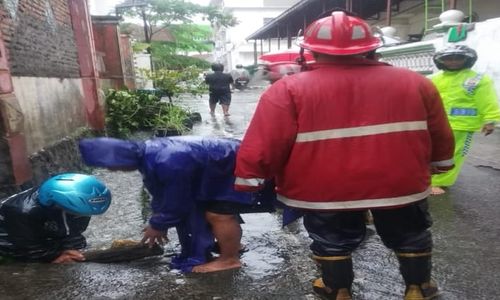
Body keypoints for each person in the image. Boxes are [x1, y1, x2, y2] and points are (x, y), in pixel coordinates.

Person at [234, 11, 455, 300]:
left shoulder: (288, 89)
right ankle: (418, 288)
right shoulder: (416, 82)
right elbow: (439, 131)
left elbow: (265, 140)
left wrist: (250, 178)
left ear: (309, 49)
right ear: (372, 47)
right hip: (398, 182)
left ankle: (337, 290)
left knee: (332, 238)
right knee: (410, 234)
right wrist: (441, 163)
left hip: (323, 187)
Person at [79, 136, 275, 273]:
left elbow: (178, 200)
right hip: (221, 163)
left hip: (232, 164)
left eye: (111, 166)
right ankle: (231, 245)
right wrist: (157, 219)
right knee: (214, 208)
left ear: (120, 158)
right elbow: (159, 192)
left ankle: (229, 259)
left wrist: (158, 225)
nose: (113, 170)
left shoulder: (167, 161)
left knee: (219, 213)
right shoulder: (147, 153)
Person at [430, 45, 500, 195]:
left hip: (462, 125)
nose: (453, 61)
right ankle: (427, 178)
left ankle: (440, 182)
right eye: (448, 58)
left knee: (453, 154)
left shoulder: (477, 79)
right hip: (436, 123)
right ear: (441, 61)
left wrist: (490, 120)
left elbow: (487, 100)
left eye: (458, 58)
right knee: (431, 152)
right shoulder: (434, 79)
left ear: (467, 59)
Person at [0, 173, 111, 263]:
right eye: (75, 212)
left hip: (34, 225)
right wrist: (54, 256)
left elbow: (74, 232)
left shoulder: (73, 204)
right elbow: (31, 249)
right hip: (9, 236)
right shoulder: (21, 212)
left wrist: (73, 249)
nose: (81, 217)